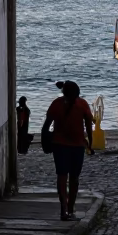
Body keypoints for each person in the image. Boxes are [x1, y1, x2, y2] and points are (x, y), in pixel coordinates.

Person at [42, 81, 93, 221]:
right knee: (72, 178)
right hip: (74, 146)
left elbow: (46, 126)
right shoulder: (82, 104)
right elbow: (88, 125)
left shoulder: (56, 104)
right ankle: (68, 207)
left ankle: (65, 208)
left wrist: (45, 142)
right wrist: (90, 144)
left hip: (61, 145)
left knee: (63, 177)